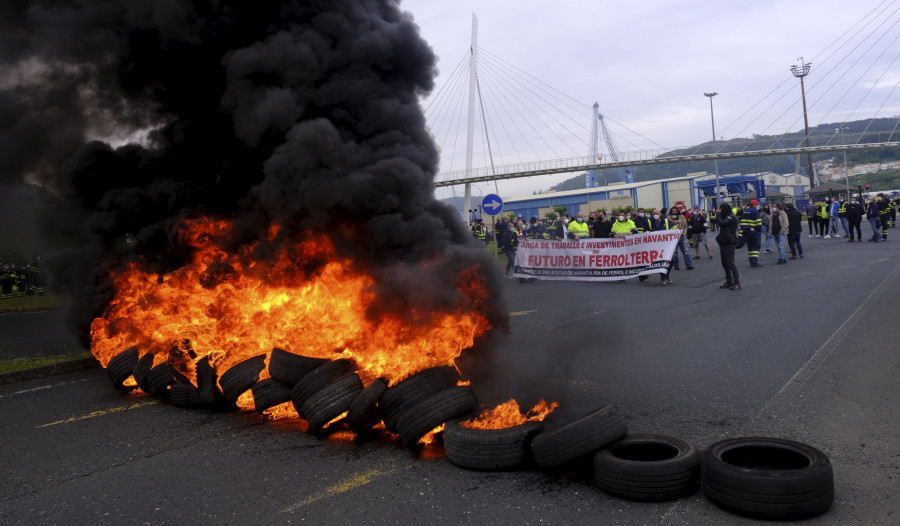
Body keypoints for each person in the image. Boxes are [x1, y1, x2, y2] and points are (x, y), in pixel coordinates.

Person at [715, 203, 740, 290]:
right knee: (724, 263)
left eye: (719, 209)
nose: (718, 210)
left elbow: (722, 223)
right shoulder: (725, 216)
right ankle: (729, 281)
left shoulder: (730, 217)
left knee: (731, 263)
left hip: (730, 241)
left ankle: (737, 283)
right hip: (724, 241)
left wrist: (718, 214)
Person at [649, 209, 674, 285]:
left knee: (671, 261)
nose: (655, 215)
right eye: (653, 214)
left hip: (667, 246)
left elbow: (674, 230)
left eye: (656, 213)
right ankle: (663, 277)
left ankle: (666, 274)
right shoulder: (650, 222)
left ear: (660, 214)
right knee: (660, 262)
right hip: (655, 247)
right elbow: (645, 232)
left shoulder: (666, 221)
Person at [740, 199, 763, 267]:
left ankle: (751, 261)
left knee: (750, 247)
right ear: (754, 204)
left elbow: (742, 222)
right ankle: (754, 262)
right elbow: (758, 222)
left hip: (746, 231)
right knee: (756, 246)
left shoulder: (745, 211)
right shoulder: (755, 211)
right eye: (756, 205)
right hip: (754, 231)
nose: (757, 206)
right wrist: (759, 230)